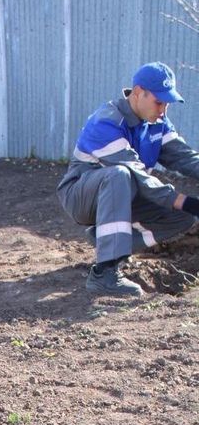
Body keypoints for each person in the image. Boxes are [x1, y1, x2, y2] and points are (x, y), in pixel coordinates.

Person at [57, 62, 199, 297]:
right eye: (158, 101)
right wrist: (189, 201)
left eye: (167, 103)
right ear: (137, 93)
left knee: (182, 218)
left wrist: (187, 208)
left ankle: (107, 240)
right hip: (80, 198)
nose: (163, 109)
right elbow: (138, 175)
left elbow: (185, 158)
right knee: (120, 175)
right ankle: (105, 273)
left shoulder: (157, 124)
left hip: (123, 196)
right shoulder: (107, 121)